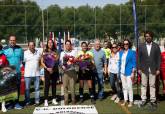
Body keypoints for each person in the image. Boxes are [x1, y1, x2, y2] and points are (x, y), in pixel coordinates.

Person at [138, 31, 161, 107]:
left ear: (152, 37)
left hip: (153, 68)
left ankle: (153, 100)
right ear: (145, 37)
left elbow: (159, 58)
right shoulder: (141, 46)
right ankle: (143, 100)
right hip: (144, 69)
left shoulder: (156, 46)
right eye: (146, 36)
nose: (148, 37)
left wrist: (158, 69)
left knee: (152, 85)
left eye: (149, 36)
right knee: (143, 85)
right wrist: (139, 68)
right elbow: (138, 58)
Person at [3, 34, 23, 109]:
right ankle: (11, 104)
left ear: (15, 41)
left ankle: (17, 103)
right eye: (11, 40)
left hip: (17, 72)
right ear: (9, 41)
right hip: (8, 73)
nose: (12, 41)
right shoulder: (4, 49)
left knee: (17, 88)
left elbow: (22, 59)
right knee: (10, 89)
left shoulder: (20, 49)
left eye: (14, 40)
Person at [41, 39, 59, 107]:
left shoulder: (55, 51)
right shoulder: (44, 51)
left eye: (51, 43)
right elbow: (42, 61)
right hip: (47, 70)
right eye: (49, 42)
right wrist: (47, 68)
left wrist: (52, 67)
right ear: (47, 44)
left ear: (53, 44)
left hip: (54, 69)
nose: (50, 44)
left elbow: (56, 60)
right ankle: (46, 100)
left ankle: (54, 99)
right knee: (47, 85)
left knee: (54, 84)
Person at [119, 39, 136, 107]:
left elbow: (134, 63)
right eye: (124, 44)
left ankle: (131, 101)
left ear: (129, 44)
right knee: (124, 87)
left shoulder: (132, 52)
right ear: (123, 45)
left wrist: (133, 72)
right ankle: (126, 100)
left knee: (129, 87)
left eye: (127, 44)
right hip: (122, 72)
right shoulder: (121, 52)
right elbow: (120, 62)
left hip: (129, 72)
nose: (125, 45)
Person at [60, 40, 77, 105]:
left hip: (72, 71)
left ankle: (73, 100)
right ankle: (66, 100)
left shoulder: (74, 52)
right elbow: (60, 62)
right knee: (65, 87)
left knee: (72, 87)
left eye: (69, 44)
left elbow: (76, 61)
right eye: (66, 44)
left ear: (70, 45)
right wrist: (62, 66)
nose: (68, 45)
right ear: (65, 45)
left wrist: (73, 61)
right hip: (65, 72)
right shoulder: (62, 53)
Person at [24, 41, 41, 106]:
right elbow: (23, 62)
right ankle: (28, 101)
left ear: (34, 46)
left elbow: (40, 62)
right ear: (28, 46)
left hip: (36, 74)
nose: (31, 46)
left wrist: (38, 69)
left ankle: (37, 101)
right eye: (30, 45)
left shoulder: (38, 52)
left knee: (37, 88)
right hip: (27, 74)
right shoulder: (25, 53)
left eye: (33, 45)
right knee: (27, 89)